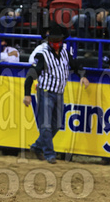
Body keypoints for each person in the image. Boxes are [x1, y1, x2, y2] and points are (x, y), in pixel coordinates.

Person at [23, 24, 90, 164]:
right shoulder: (42, 55)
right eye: (53, 40)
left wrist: (82, 75)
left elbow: (76, 65)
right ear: (49, 40)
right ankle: (49, 154)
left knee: (57, 124)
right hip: (46, 92)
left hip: (59, 93)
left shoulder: (65, 53)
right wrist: (27, 93)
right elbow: (31, 74)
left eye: (57, 40)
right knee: (46, 125)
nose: (55, 43)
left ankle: (36, 146)